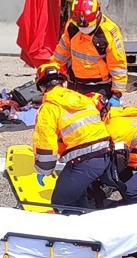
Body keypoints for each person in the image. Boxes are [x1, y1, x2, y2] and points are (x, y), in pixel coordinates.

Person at [31, 63, 112, 210]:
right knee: (76, 196)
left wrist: (44, 169)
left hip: (85, 159)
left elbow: (45, 143)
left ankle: (80, 229)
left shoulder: (48, 108)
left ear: (42, 88)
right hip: (105, 153)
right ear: (65, 82)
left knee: (60, 201)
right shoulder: (82, 98)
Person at [49, 0, 127, 102]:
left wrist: (117, 94)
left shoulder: (109, 33)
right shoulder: (72, 26)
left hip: (100, 87)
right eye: (80, 27)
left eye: (88, 26)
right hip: (76, 83)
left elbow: (118, 65)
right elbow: (61, 52)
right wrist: (52, 71)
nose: (83, 29)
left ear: (97, 16)